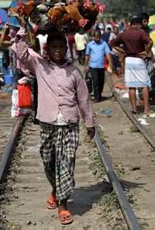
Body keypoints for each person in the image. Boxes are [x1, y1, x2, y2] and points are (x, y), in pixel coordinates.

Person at [12, 26, 95, 226]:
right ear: (47, 49)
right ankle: (56, 191)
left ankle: (63, 206)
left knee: (66, 163)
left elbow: (83, 99)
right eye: (53, 47)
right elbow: (20, 51)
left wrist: (90, 122)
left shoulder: (74, 71)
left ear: (66, 49)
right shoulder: (39, 65)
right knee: (48, 161)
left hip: (69, 123)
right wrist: (24, 30)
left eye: (61, 47)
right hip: (48, 122)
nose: (57, 50)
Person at [110, 17, 153, 115]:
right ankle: (146, 110)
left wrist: (121, 51)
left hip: (128, 60)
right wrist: (146, 52)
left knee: (131, 86)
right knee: (144, 84)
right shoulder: (141, 33)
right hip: (139, 59)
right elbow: (150, 42)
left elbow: (112, 43)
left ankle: (134, 109)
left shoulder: (124, 34)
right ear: (138, 24)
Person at [84, 30, 112, 103]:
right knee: (95, 81)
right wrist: (85, 65)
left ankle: (99, 95)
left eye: (99, 37)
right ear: (93, 37)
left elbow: (108, 54)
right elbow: (87, 55)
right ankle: (97, 97)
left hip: (101, 66)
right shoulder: (90, 44)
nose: (97, 39)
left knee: (101, 82)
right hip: (93, 66)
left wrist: (110, 63)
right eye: (96, 37)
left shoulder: (104, 44)